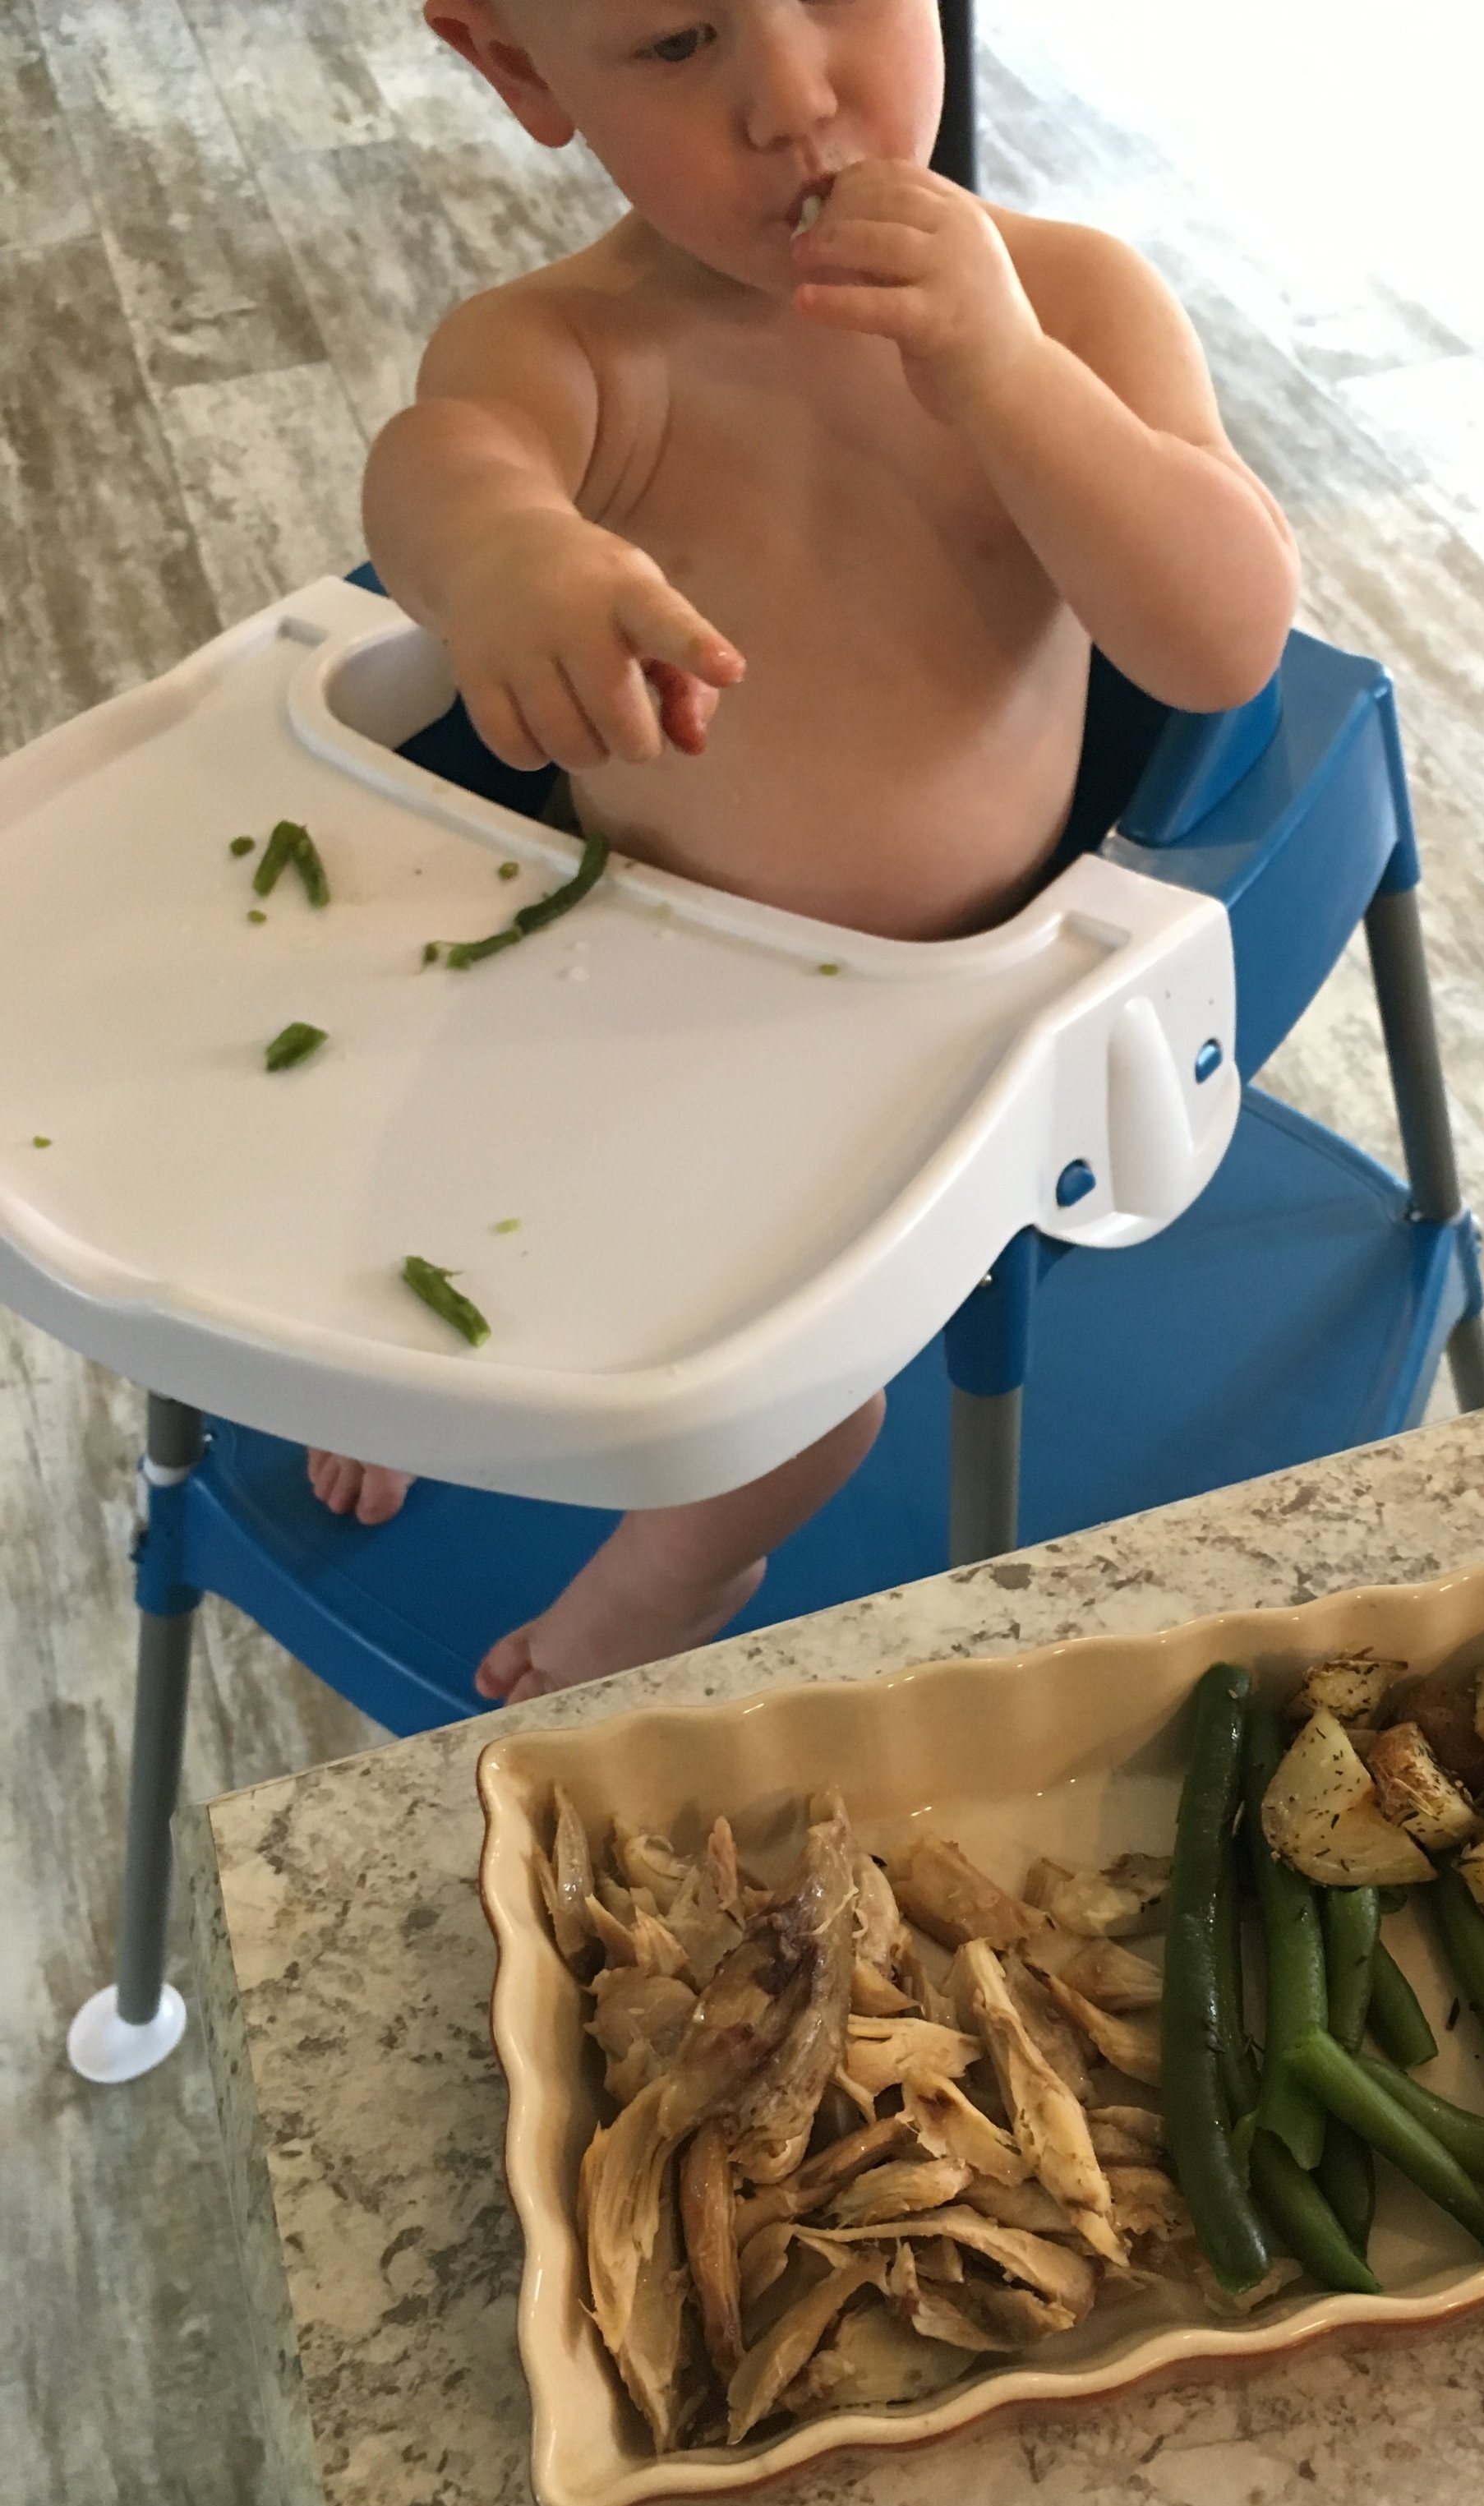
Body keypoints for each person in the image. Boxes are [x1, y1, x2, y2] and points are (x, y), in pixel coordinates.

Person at [308, 0, 1298, 1703]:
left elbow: (1220, 642)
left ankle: (660, 1586)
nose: (791, 97)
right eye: (679, 42)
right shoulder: (570, 347)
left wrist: (1002, 377)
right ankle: (394, 1367)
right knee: (393, 1168)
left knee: (792, 1395)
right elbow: (441, 463)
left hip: (927, 1040)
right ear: (522, 71)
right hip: (609, 967)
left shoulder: (1068, 301)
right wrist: (499, 559)